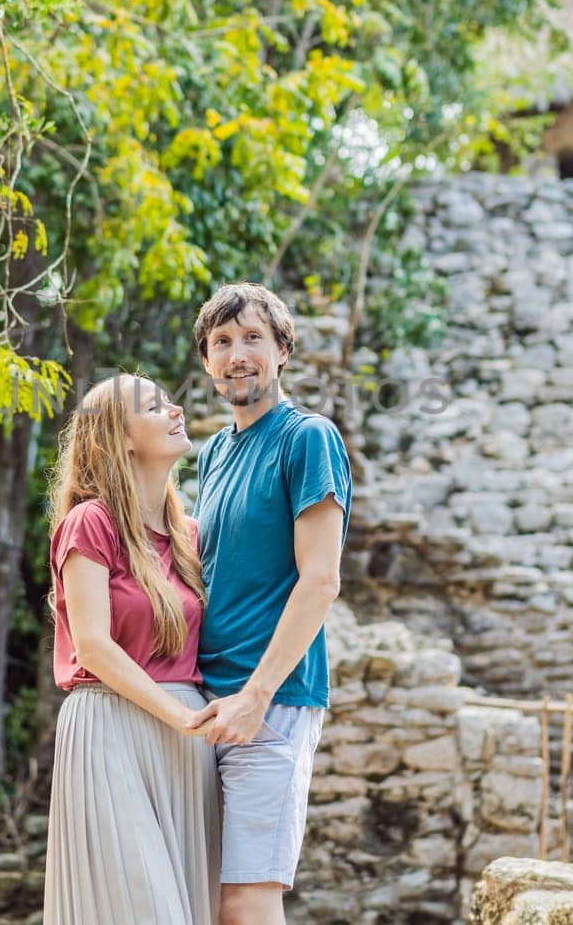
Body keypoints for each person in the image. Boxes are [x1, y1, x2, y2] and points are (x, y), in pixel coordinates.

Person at [186, 283, 353, 925]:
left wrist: (257, 695)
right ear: (207, 361)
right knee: (205, 896)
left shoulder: (308, 438)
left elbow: (320, 581)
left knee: (248, 898)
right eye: (222, 342)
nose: (238, 355)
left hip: (271, 701)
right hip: (207, 703)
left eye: (253, 338)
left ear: (283, 350)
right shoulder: (214, 453)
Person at [43, 373, 220, 925]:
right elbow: (93, 645)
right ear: (119, 437)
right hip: (110, 728)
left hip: (186, 741)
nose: (175, 409)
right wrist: (179, 716)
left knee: (193, 908)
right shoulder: (90, 523)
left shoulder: (189, 535)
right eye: (153, 406)